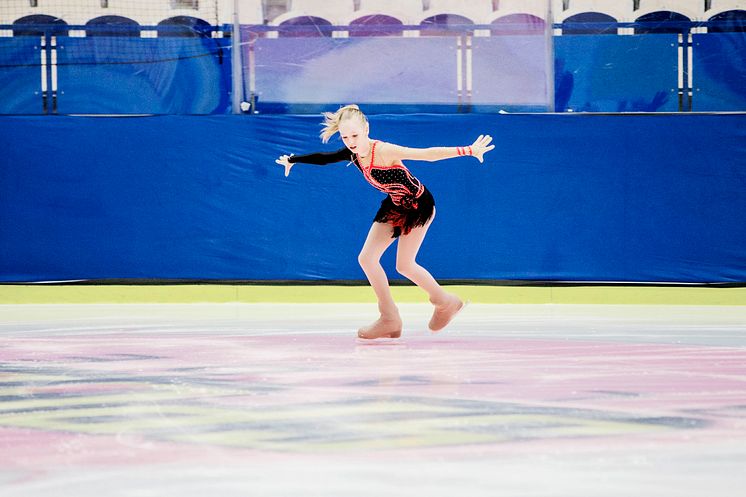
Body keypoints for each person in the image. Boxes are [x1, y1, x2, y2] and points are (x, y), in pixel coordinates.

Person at [276, 105, 494, 340]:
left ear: (366, 129)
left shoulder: (384, 150)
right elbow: (325, 158)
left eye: (355, 135)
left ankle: (445, 302)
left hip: (419, 205)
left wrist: (468, 150)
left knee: (405, 265)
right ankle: (389, 317)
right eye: (345, 136)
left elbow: (427, 154)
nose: (350, 141)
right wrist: (293, 159)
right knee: (367, 258)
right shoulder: (353, 154)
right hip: (395, 204)